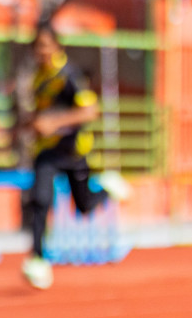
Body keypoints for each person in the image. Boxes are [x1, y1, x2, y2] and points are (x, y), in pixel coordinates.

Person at [19, 23, 129, 290]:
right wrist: (29, 125)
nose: (42, 52)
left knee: (84, 206)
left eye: (46, 46)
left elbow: (90, 111)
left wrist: (55, 123)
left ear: (57, 47)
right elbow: (40, 115)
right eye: (38, 47)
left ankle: (107, 187)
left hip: (73, 151)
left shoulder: (68, 75)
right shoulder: (37, 77)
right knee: (39, 200)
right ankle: (38, 260)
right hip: (47, 151)